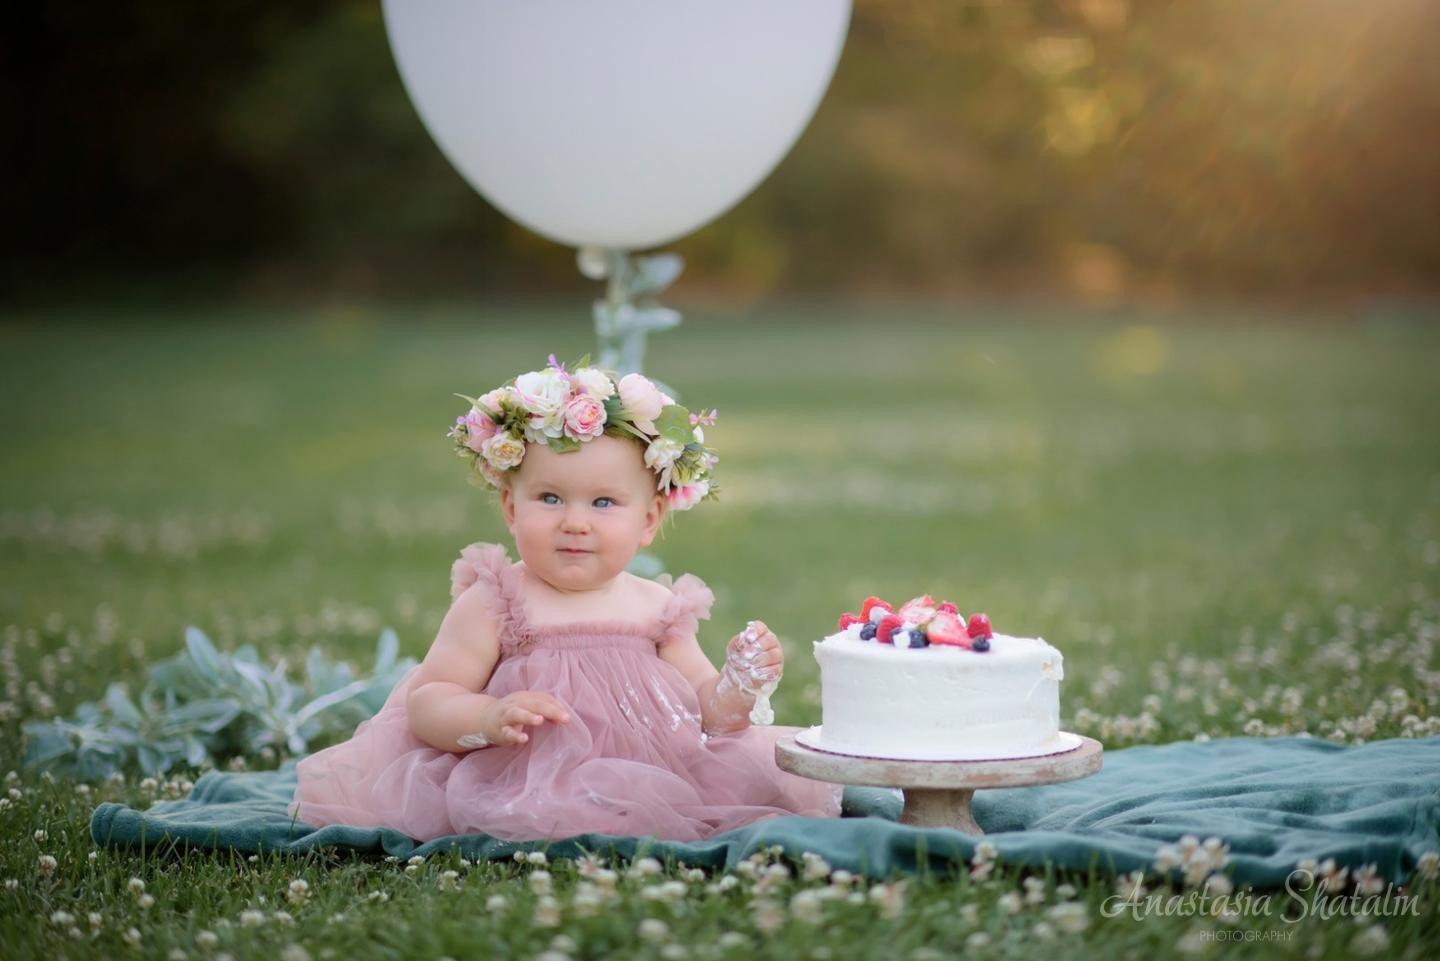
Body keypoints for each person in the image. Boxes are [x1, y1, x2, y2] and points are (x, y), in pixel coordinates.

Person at [290, 356, 841, 841]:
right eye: (550, 498)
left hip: (657, 776)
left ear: (649, 520)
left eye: (604, 503)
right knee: (558, 811)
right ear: (511, 509)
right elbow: (429, 698)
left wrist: (737, 685)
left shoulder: (657, 609)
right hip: (522, 783)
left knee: (742, 787)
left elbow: (710, 718)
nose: (574, 522)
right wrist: (488, 714)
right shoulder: (497, 601)